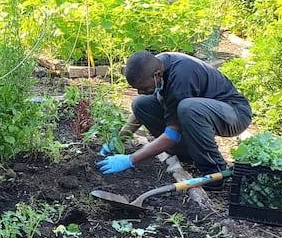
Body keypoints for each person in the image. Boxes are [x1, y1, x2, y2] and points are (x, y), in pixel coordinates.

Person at [97, 51, 251, 190]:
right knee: (141, 104)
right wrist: (118, 140)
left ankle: (214, 172)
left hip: (234, 113)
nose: (140, 91)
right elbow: (140, 113)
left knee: (189, 108)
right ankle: (188, 154)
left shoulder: (181, 79)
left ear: (157, 75)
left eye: (143, 87)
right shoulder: (160, 65)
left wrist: (131, 159)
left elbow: (172, 134)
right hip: (205, 110)